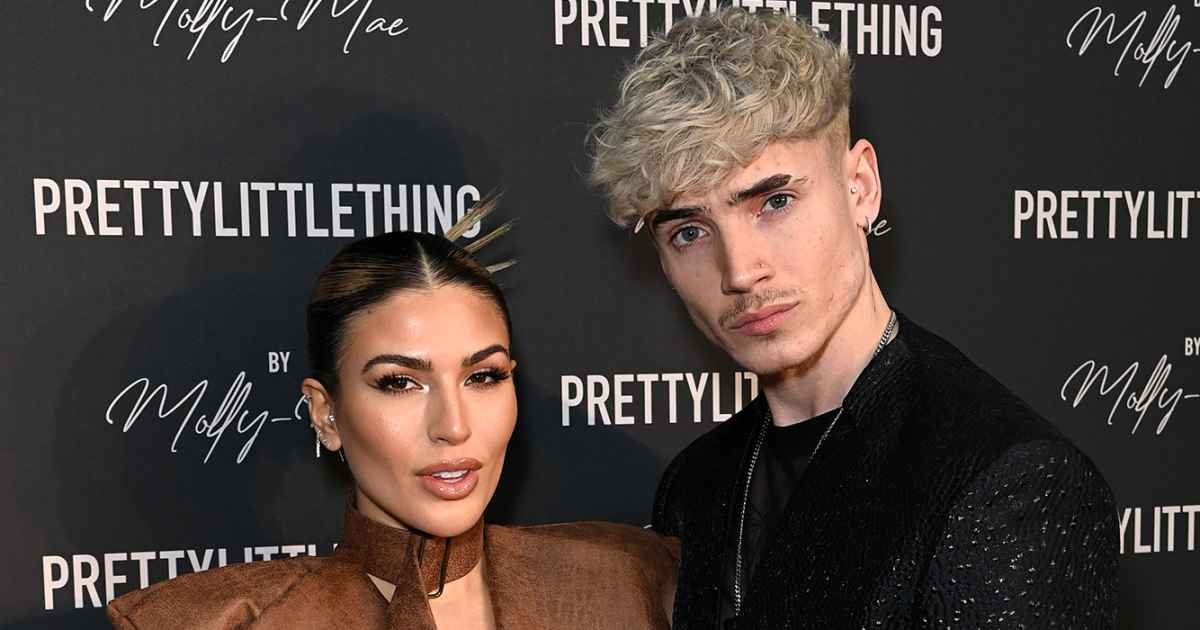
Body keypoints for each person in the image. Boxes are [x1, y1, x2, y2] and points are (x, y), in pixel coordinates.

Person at [588, 8, 1118, 629]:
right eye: (689, 232)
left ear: (860, 186)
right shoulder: (696, 483)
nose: (740, 271)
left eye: (774, 202)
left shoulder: (1006, 480)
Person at [105, 200, 679, 629]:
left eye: (483, 376)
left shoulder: (631, 584)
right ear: (326, 414)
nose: (453, 426)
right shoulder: (218, 622)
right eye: (400, 383)